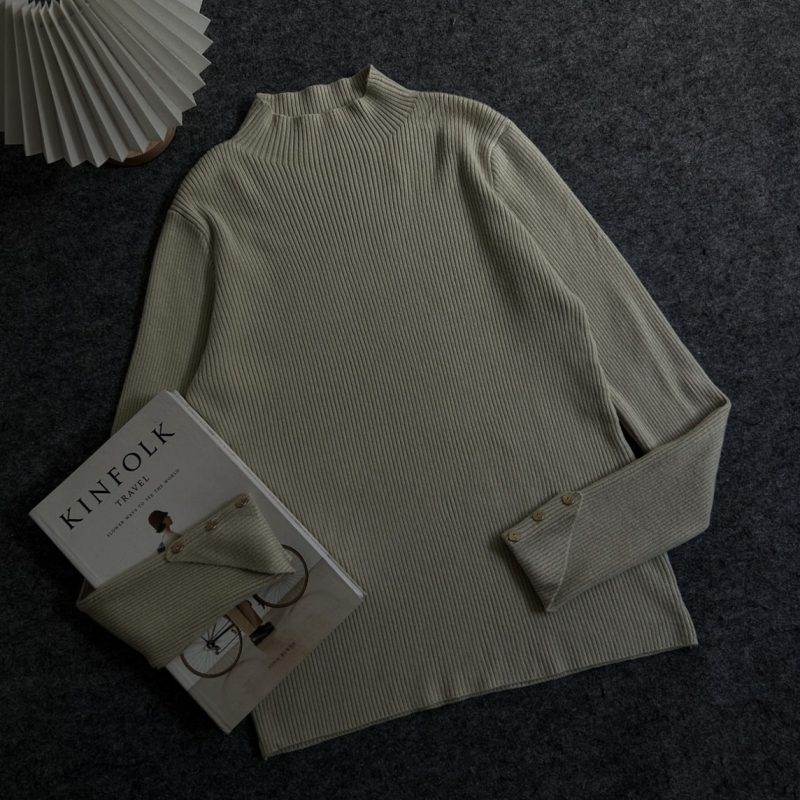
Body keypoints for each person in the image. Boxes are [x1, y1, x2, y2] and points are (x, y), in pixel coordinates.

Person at [146, 509, 275, 645]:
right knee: (229, 606)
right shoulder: (171, 539)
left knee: (234, 598)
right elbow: (191, 555)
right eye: (166, 516)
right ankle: (253, 633)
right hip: (202, 579)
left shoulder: (166, 540)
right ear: (162, 521)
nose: (169, 516)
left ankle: (257, 628)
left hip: (201, 577)